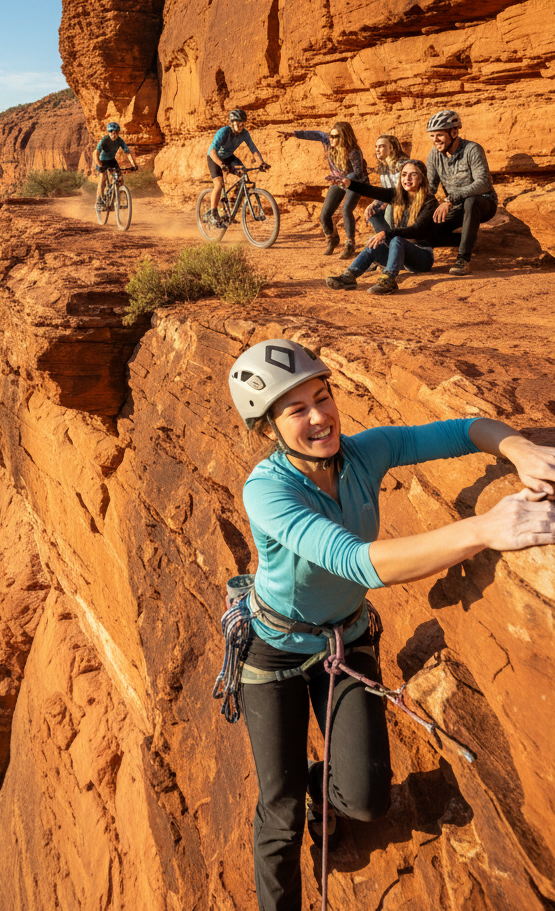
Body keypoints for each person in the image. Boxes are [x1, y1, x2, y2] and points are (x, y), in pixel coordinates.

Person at [226, 338, 555, 911]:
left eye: (322, 397)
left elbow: (464, 428)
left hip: (346, 637)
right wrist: (483, 529)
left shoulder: (361, 454)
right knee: (278, 814)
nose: (319, 416)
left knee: (366, 801)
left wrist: (520, 448)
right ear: (267, 428)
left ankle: (320, 789)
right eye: (296, 409)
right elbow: (355, 561)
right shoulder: (268, 490)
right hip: (274, 651)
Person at [323, 159, 438, 295]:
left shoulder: (430, 201)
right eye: (404, 174)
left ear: (422, 178)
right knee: (374, 244)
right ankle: (349, 276)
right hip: (401, 257)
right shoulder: (398, 195)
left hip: (422, 259)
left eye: (413, 174)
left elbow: (417, 230)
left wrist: (386, 233)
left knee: (396, 239)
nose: (407, 178)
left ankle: (388, 280)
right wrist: (349, 184)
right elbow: (372, 191)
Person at [278, 122, 367, 258]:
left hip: (356, 183)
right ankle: (332, 239)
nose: (330, 138)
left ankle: (350, 245)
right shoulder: (328, 142)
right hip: (338, 181)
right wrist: (294, 134)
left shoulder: (353, 151)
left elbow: (358, 172)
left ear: (343, 137)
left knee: (346, 210)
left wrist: (344, 179)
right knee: (325, 214)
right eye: (330, 135)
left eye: (334, 136)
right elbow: (317, 134)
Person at [425, 110, 498, 276]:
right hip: (455, 206)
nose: (435, 140)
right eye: (432, 136)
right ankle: (467, 239)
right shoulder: (434, 155)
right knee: (425, 231)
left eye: (439, 135)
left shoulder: (472, 149)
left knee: (471, 201)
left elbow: (483, 183)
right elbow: (430, 188)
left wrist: (450, 199)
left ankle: (463, 259)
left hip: (483, 203)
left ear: (454, 132)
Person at [207, 109, 269, 227]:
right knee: (219, 184)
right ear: (232, 122)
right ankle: (213, 214)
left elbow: (253, 149)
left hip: (229, 158)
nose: (241, 125)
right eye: (238, 122)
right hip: (214, 158)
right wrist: (221, 164)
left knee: (244, 174)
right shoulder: (223, 132)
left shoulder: (244, 133)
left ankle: (232, 207)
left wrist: (262, 163)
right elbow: (212, 152)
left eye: (242, 123)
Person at [365, 135, 408, 232]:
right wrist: (374, 203)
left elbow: (404, 190)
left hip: (407, 202)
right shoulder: (384, 168)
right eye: (376, 147)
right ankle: (385, 240)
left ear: (391, 148)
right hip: (393, 201)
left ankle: (396, 239)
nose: (377, 150)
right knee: (372, 211)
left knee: (389, 210)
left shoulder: (402, 165)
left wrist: (386, 202)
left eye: (381, 146)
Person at [94, 122, 137, 211]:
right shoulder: (105, 140)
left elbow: (128, 153)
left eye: (116, 132)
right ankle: (99, 202)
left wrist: (134, 165)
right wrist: (99, 164)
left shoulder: (119, 141)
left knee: (119, 178)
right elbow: (95, 153)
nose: (114, 134)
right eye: (112, 132)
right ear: (109, 132)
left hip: (111, 160)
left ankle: (117, 197)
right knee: (103, 178)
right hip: (101, 160)